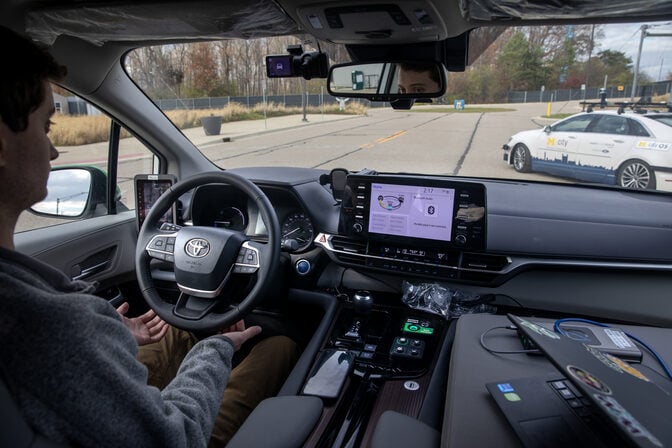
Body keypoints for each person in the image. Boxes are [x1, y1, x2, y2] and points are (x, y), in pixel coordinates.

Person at [0, 24, 298, 447]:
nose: (53, 152)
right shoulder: (51, 326)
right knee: (280, 344)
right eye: (46, 128)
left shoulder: (42, 314)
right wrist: (216, 349)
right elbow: (174, 436)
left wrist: (110, 337)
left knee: (179, 328)